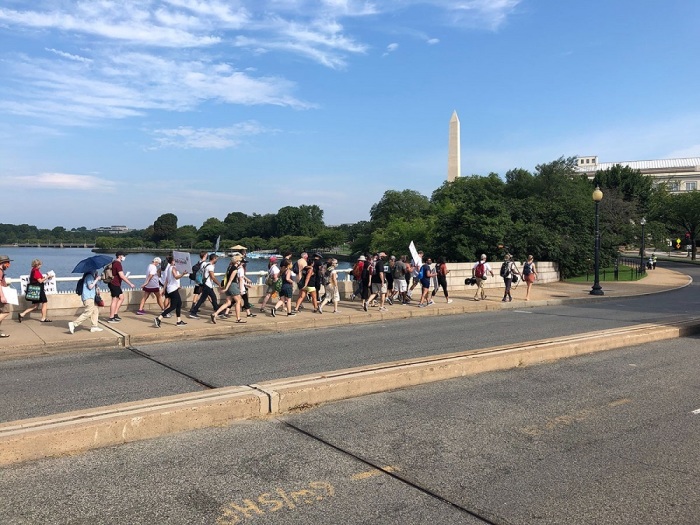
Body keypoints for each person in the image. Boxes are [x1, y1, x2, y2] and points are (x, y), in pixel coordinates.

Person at [154, 255, 188, 328]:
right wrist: (183, 274)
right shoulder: (173, 268)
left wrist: (164, 290)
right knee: (173, 306)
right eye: (176, 260)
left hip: (170, 289)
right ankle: (159, 318)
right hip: (173, 289)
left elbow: (166, 280)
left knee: (179, 303)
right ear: (173, 261)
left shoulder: (169, 268)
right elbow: (176, 277)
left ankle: (179, 321)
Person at [211, 256, 245, 324]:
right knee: (238, 301)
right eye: (239, 261)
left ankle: (215, 314)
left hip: (228, 286)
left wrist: (226, 288)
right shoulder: (235, 269)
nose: (240, 262)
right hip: (233, 286)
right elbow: (230, 280)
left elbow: (227, 278)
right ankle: (238, 318)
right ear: (237, 261)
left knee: (228, 302)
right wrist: (226, 289)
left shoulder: (229, 267)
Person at [107, 251, 136, 323]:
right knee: (114, 299)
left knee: (121, 298)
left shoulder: (114, 262)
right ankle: (111, 317)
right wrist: (130, 284)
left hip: (114, 283)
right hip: (114, 283)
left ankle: (115, 314)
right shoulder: (118, 264)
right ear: (120, 256)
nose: (124, 257)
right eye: (124, 255)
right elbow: (121, 276)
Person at [189, 253, 220, 319]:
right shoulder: (210, 267)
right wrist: (219, 284)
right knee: (210, 298)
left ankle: (217, 310)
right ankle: (194, 312)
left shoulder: (204, 264)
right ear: (214, 259)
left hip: (203, 283)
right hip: (208, 285)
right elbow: (213, 277)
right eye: (216, 259)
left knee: (207, 298)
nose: (217, 260)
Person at [0, 255, 13, 337]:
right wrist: (2, 296)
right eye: (8, 263)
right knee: (6, 312)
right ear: (3, 263)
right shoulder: (0, 271)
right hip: (1, 295)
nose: (9, 265)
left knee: (1, 312)